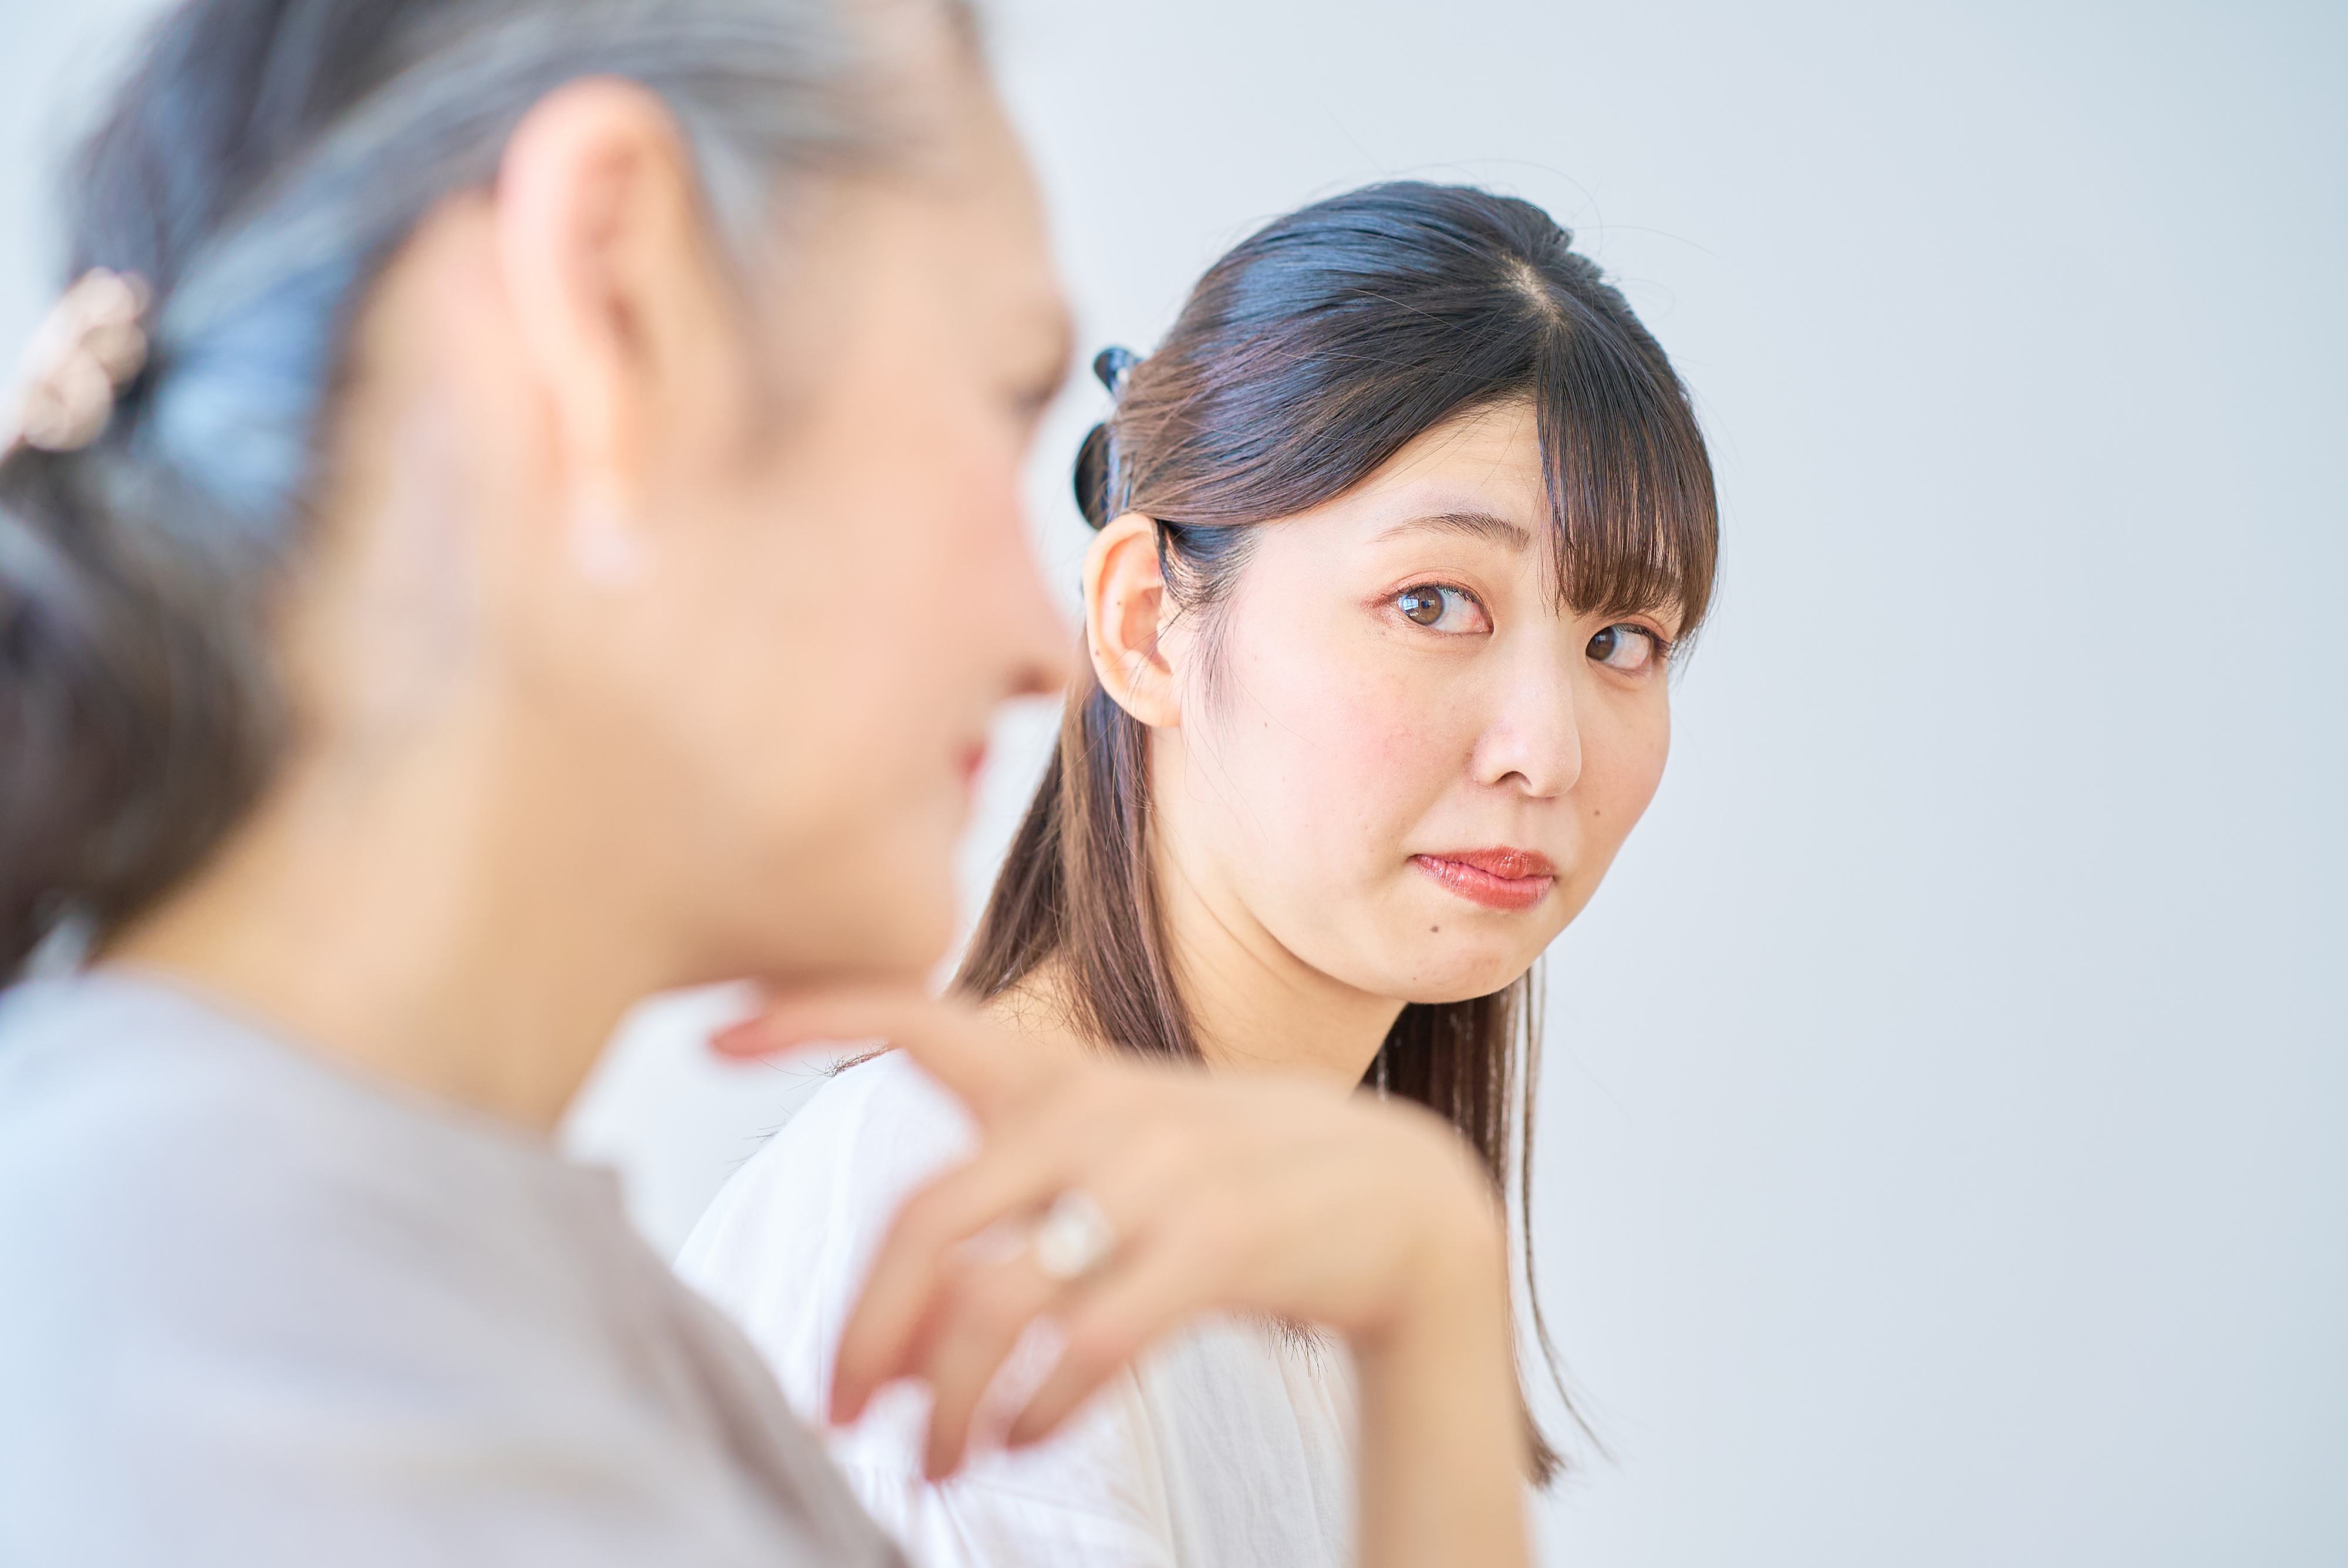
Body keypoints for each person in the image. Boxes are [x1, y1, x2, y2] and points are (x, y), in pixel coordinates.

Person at [0, 2, 1533, 1566]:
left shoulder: (493, 1325)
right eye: (995, 393)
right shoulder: (230, 1335)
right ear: (616, 294)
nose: (1038, 639)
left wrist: (1429, 1295)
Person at [679, 180, 1720, 1567]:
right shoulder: (968, 1242)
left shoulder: (1349, 1276)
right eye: (1431, 603)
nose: (1544, 747)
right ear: (1145, 628)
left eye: (1623, 640)